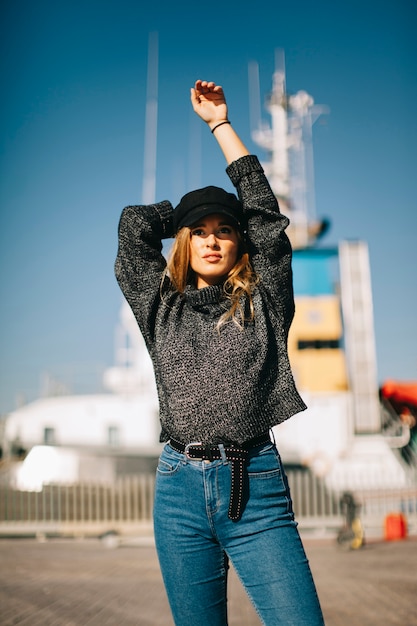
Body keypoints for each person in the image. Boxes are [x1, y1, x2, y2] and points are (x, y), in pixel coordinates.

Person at [115, 80, 324, 626]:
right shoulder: (161, 307)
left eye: (224, 230)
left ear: (239, 243)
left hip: (254, 487)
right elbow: (133, 229)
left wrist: (220, 126)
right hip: (178, 491)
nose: (211, 239)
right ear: (184, 242)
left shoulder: (266, 300)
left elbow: (265, 217)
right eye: (199, 231)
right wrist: (184, 209)